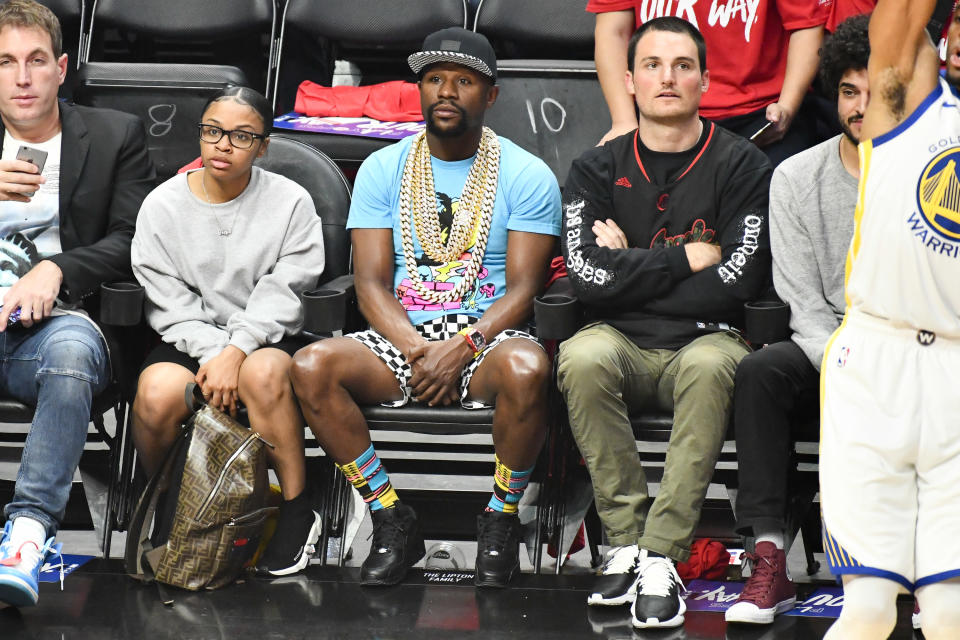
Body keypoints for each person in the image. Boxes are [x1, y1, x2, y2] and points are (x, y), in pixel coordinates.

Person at [290, 27, 561, 589]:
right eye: (434, 79)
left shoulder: (527, 173)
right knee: (310, 366)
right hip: (403, 338)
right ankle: (392, 516)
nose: (446, 91)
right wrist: (419, 351)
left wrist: (461, 348)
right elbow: (368, 283)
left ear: (490, 96)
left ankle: (501, 518)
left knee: (530, 368)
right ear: (418, 88)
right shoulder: (383, 168)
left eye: (464, 81)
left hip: (487, 338)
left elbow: (525, 289)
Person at [556, 17, 771, 630]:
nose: (668, 77)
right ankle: (623, 541)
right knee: (581, 355)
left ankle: (662, 555)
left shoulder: (744, 166)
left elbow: (740, 284)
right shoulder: (596, 167)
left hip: (707, 337)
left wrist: (628, 266)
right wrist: (681, 259)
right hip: (615, 338)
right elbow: (583, 277)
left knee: (711, 365)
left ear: (706, 79)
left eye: (682, 65)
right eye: (652, 65)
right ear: (629, 80)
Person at [129, 86, 325, 579]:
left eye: (241, 136)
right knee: (155, 392)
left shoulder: (291, 202)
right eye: (213, 131)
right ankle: (176, 507)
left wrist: (237, 350)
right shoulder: (162, 205)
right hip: (189, 338)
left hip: (268, 337)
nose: (223, 145)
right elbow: (165, 297)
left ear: (263, 146)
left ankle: (298, 514)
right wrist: (216, 354)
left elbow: (288, 288)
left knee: (261, 374)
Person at [0, 0, 155, 608]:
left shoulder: (115, 134)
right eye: (6, 62)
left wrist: (55, 269)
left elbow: (131, 239)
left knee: (71, 351)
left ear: (61, 68)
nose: (22, 76)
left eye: (36, 60)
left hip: (54, 325)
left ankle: (30, 533)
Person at [818, 1, 960, 638]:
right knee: (870, 609)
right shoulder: (906, 95)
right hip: (879, 361)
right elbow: (901, 12)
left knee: (953, 614)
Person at [724, 14, 870, 625]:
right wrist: (846, 357)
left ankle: (929, 560)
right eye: (847, 92)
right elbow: (801, 300)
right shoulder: (795, 176)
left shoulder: (938, 173)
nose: (859, 106)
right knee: (760, 371)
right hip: (830, 347)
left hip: (921, 348)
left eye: (874, 90)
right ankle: (769, 556)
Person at [588, 0, 828, 166]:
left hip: (761, 118)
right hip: (663, 115)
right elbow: (613, 32)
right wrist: (624, 121)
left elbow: (806, 27)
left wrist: (787, 106)